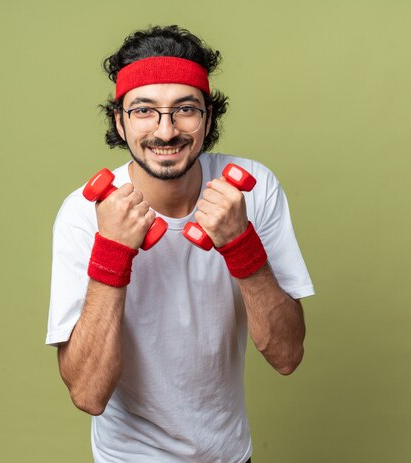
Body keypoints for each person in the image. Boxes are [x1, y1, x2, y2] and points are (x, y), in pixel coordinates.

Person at [46, 25, 314, 463]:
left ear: (208, 118)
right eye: (144, 111)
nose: (166, 131)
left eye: (185, 109)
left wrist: (241, 246)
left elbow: (287, 355)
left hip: (230, 455)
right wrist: (112, 252)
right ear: (120, 120)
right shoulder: (83, 213)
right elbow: (89, 394)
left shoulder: (253, 189)